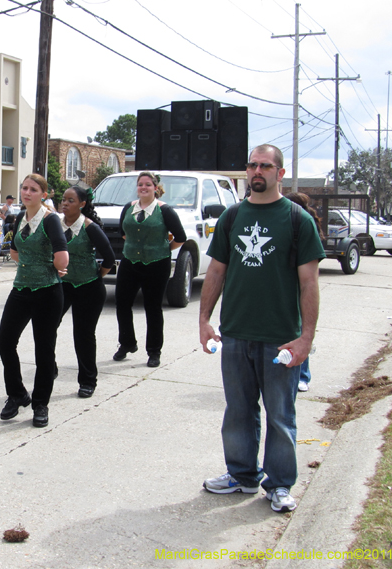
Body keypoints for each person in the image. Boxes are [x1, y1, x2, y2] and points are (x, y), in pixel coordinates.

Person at [199, 144, 324, 514]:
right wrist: (205, 320)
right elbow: (217, 270)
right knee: (238, 410)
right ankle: (241, 475)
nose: (257, 171)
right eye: (252, 165)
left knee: (281, 416)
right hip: (235, 332)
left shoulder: (297, 220)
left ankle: (280, 484)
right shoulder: (233, 216)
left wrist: (306, 338)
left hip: (281, 337)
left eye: (265, 166)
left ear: (280, 173)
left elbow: (309, 283)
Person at [0, 173, 69, 428]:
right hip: (21, 288)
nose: (27, 193)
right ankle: (17, 394)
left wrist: (49, 266)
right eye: (24, 188)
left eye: (33, 189)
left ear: (44, 194)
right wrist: (30, 265)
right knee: (5, 341)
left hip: (48, 290)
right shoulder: (19, 217)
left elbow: (62, 257)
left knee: (44, 350)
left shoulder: (50, 220)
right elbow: (15, 251)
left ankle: (40, 404)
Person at [113, 171, 187, 367]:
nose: (143, 188)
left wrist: (163, 249)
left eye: (147, 184)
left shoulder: (165, 210)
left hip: (157, 264)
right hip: (130, 262)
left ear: (155, 187)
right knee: (122, 304)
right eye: (140, 185)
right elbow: (123, 233)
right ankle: (127, 343)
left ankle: (154, 351)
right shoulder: (129, 208)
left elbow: (180, 236)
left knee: (152, 308)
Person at [59, 186, 116, 398]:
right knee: (47, 327)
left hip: (89, 287)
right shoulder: (54, 223)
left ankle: (88, 380)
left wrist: (96, 276)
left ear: (82, 204)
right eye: (63, 199)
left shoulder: (89, 227)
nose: (65, 203)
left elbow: (109, 258)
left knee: (83, 335)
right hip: (62, 285)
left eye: (71, 200)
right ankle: (49, 367)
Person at [284, 191, 325, 393]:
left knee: (300, 330)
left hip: (301, 287)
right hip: (285, 287)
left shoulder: (305, 224)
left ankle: (303, 375)